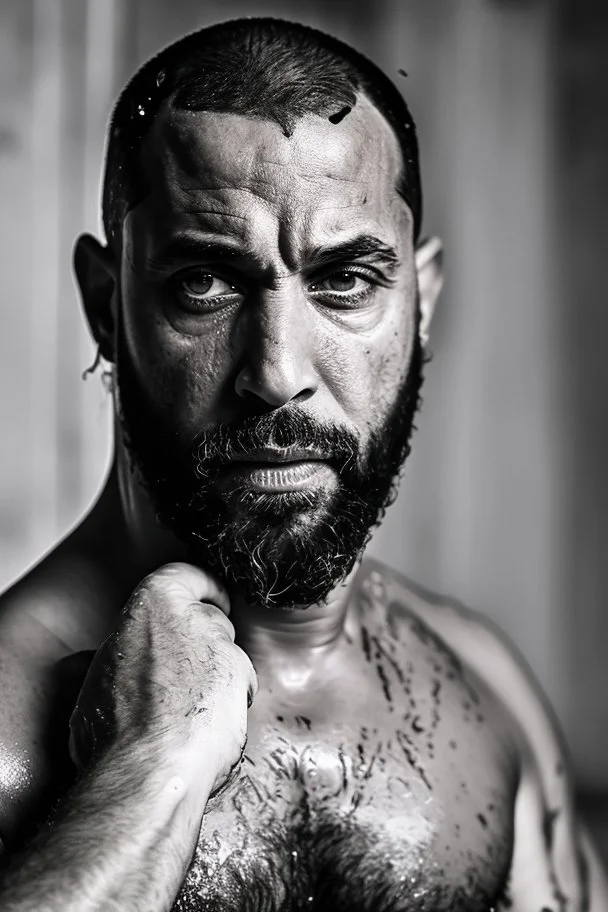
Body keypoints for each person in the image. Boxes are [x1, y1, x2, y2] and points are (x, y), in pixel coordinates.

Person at [0, 16, 604, 912]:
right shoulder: (10, 740)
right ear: (104, 304)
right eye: (205, 284)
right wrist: (150, 772)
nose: (277, 372)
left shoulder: (484, 698)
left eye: (345, 281)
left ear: (422, 302)